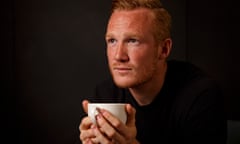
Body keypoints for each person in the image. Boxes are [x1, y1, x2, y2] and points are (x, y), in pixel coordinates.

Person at [75, 0, 227, 143]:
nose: (118, 56)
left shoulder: (201, 97)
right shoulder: (105, 95)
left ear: (164, 49)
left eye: (133, 41)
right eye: (112, 41)